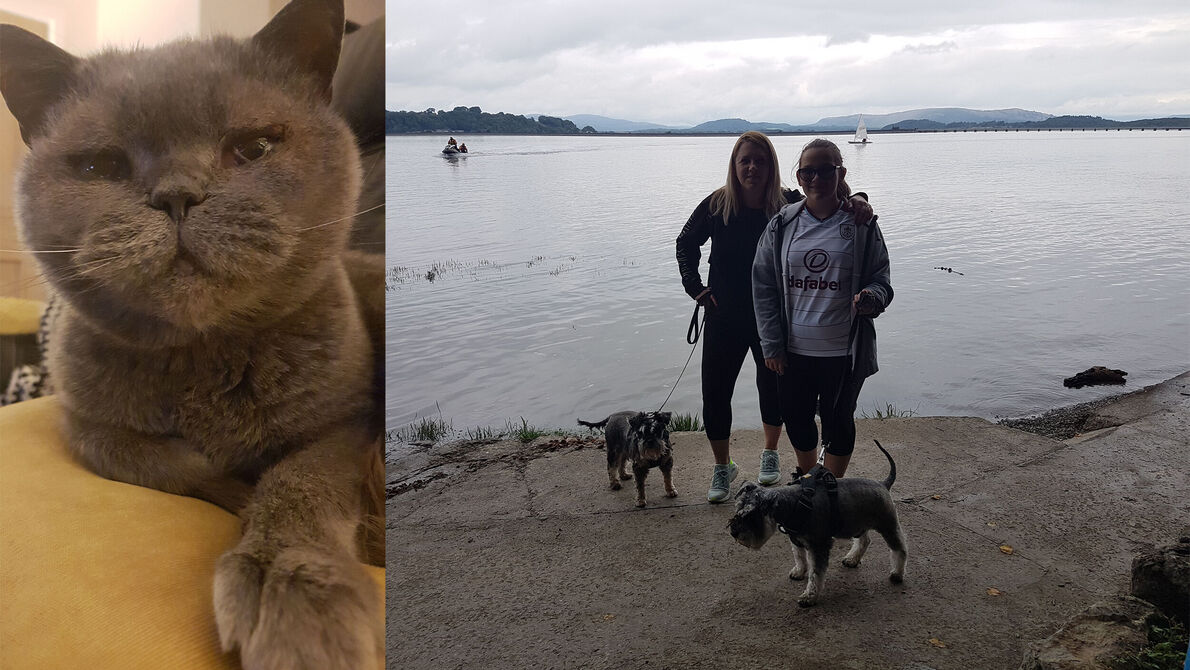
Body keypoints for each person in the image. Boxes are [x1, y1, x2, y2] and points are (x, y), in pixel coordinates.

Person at [676, 132, 873, 502]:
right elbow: (685, 243)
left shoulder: (787, 204)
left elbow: (828, 199)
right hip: (724, 315)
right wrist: (696, 288)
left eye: (760, 160)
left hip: (776, 320)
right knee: (715, 394)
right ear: (735, 166)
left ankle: (770, 452)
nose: (752, 167)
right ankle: (723, 466)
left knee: (773, 391)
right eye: (744, 160)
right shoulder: (717, 204)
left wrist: (859, 198)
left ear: (773, 166)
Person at [751, 138, 892, 479]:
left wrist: (872, 298)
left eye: (825, 170)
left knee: (839, 420)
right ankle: (808, 478)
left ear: (840, 172)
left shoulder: (861, 224)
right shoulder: (782, 224)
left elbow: (881, 280)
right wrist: (771, 344)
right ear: (798, 178)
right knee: (797, 418)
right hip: (793, 349)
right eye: (808, 171)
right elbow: (763, 285)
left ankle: (831, 489)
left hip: (843, 351)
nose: (816, 178)